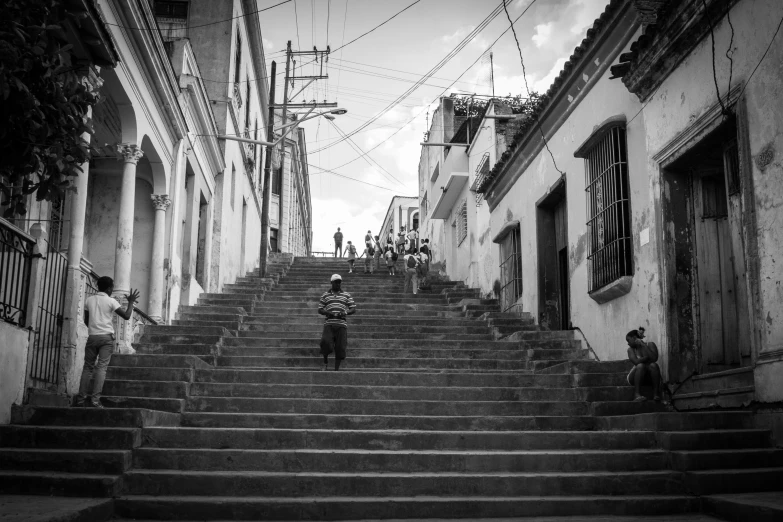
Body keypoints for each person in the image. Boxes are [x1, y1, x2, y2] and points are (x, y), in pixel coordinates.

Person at [76, 277, 139, 408]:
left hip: (92, 336)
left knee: (87, 368)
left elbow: (87, 321)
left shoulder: (89, 300)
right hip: (106, 338)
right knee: (102, 368)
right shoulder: (111, 301)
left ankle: (80, 400)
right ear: (110, 288)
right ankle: (95, 400)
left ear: (98, 286)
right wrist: (131, 302)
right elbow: (127, 316)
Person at [318, 274, 356, 371]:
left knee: (340, 347)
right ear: (331, 283)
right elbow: (320, 309)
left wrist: (344, 312)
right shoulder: (325, 295)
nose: (338, 284)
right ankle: (325, 362)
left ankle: (336, 369)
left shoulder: (346, 295)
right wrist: (328, 312)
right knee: (325, 342)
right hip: (329, 324)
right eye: (336, 282)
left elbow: (353, 308)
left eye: (339, 282)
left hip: (341, 324)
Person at [626, 329, 662, 402]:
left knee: (654, 365)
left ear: (634, 338)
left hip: (648, 377)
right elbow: (636, 362)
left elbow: (654, 358)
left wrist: (643, 345)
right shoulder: (631, 349)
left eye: (628, 340)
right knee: (641, 366)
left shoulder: (650, 344)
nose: (628, 343)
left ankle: (656, 394)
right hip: (635, 377)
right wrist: (645, 358)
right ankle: (637, 394)